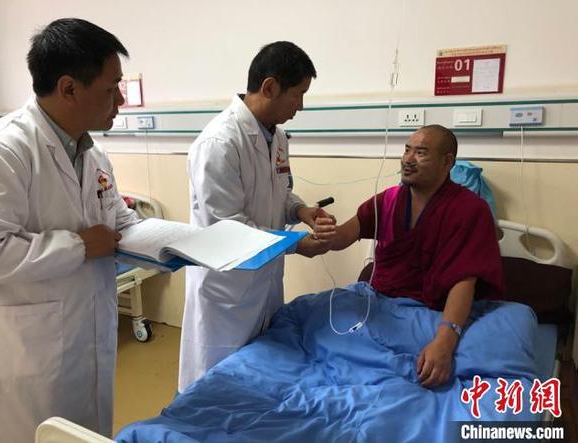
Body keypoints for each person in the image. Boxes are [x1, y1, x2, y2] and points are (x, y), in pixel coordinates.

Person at [0, 18, 138, 442]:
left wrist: (171, 243)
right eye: (111, 88)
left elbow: (117, 220)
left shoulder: (92, 154)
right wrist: (79, 246)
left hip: (86, 338)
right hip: (26, 355)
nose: (120, 100)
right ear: (69, 89)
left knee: (82, 432)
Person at [179, 41, 336, 392]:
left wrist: (301, 210)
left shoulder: (277, 137)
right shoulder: (219, 143)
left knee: (257, 378)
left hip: (265, 280)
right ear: (270, 87)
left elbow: (280, 191)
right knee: (216, 385)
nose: (301, 106)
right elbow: (228, 228)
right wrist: (297, 244)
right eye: (298, 95)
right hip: (227, 290)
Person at [310, 125, 505, 388]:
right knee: (308, 314)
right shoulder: (388, 200)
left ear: (447, 162)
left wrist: (444, 341)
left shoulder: (471, 210)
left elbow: (464, 281)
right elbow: (343, 237)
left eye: (420, 153)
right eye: (406, 150)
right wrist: (326, 231)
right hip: (378, 306)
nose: (408, 159)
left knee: (504, 341)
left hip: (431, 315)